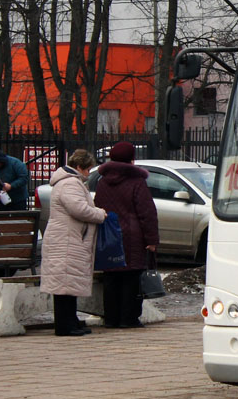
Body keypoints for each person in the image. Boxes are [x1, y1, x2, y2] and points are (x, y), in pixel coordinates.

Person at [41, 149, 107, 336]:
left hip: (67, 237)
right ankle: (65, 325)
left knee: (68, 282)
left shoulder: (69, 182)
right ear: (79, 167)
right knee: (64, 284)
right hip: (67, 239)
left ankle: (71, 321)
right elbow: (79, 209)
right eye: (87, 170)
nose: (88, 173)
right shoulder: (70, 183)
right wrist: (100, 214)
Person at [93, 141, 158, 328]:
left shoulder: (102, 181)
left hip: (109, 234)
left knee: (111, 276)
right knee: (131, 277)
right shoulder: (137, 182)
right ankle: (128, 318)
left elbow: (98, 206)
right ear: (132, 159)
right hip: (133, 236)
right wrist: (152, 240)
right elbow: (147, 213)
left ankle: (111, 318)